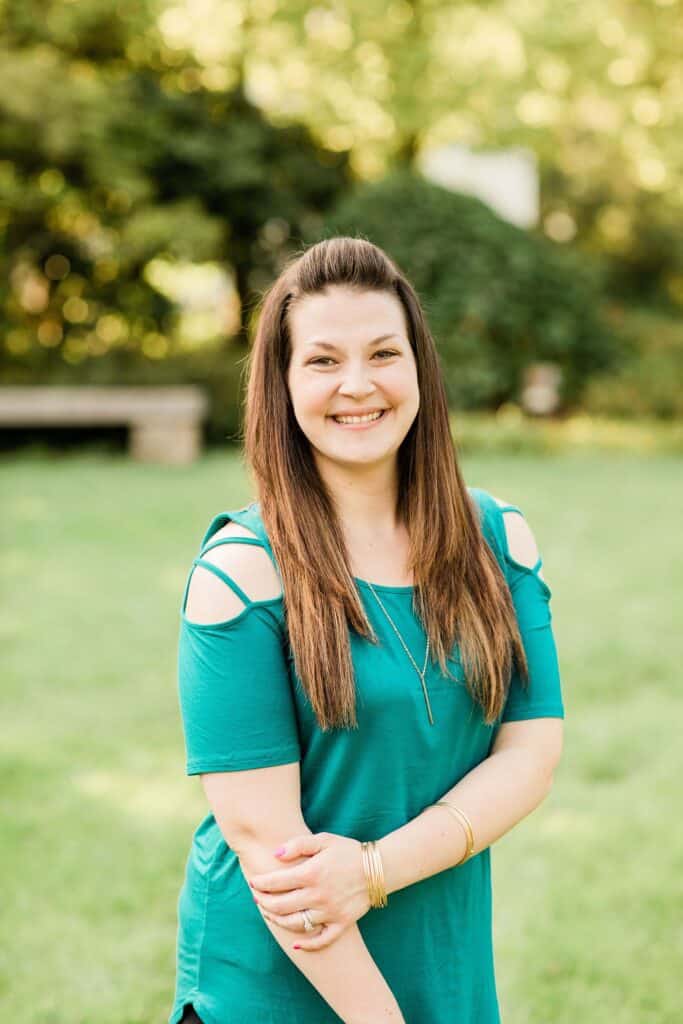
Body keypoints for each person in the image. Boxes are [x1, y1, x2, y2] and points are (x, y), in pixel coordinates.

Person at [168, 237, 565, 1024]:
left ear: (419, 368)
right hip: (278, 982)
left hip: (441, 961)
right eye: (321, 361)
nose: (357, 386)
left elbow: (530, 748)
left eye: (383, 353)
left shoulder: (497, 539)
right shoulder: (239, 575)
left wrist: (376, 869)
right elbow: (269, 851)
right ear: (282, 385)